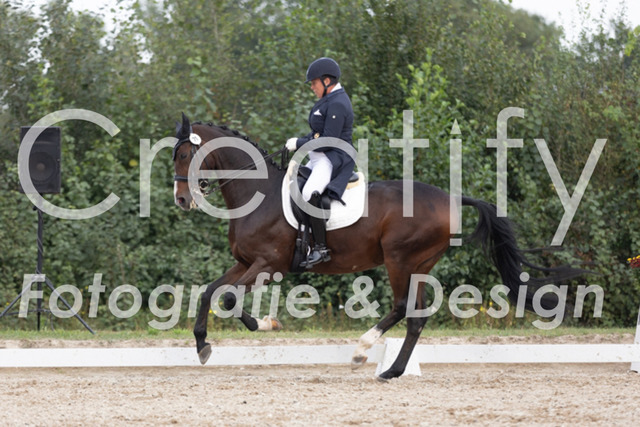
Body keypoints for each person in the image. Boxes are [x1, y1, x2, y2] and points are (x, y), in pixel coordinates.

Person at [286, 57, 355, 268]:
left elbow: (327, 141)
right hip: (318, 157)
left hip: (332, 158)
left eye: (314, 83)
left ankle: (320, 248)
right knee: (292, 184)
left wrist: (299, 143)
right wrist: (301, 141)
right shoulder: (329, 99)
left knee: (309, 193)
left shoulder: (338, 103)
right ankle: (302, 240)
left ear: (327, 81)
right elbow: (317, 133)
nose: (312, 87)